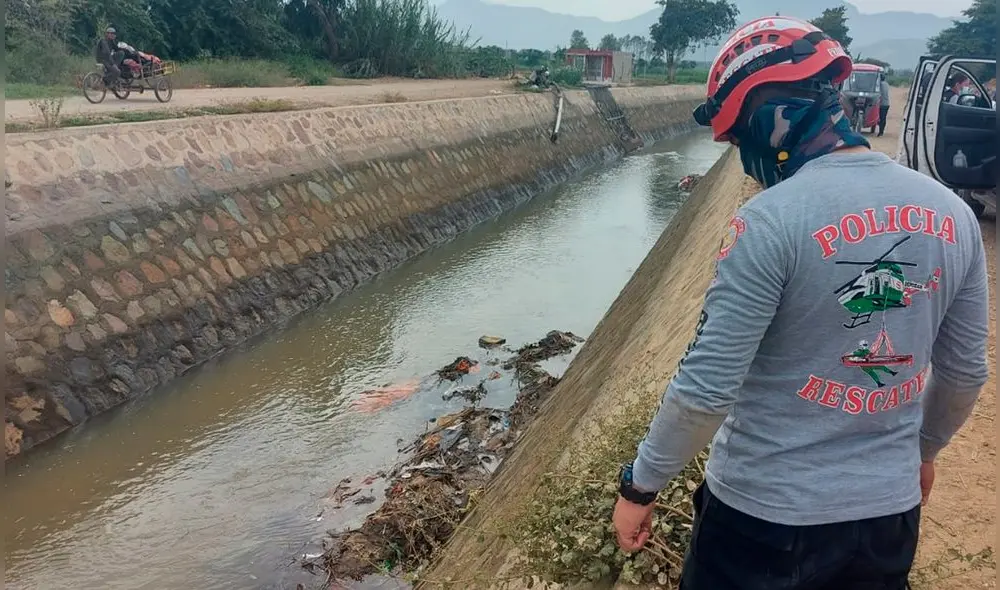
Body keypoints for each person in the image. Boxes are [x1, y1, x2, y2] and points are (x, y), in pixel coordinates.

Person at [611, 15, 989, 590]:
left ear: (767, 121)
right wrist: (925, 450)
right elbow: (964, 373)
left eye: (738, 137)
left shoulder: (767, 223)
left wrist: (640, 485)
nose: (742, 156)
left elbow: (706, 388)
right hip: (888, 516)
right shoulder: (954, 215)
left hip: (762, 521)